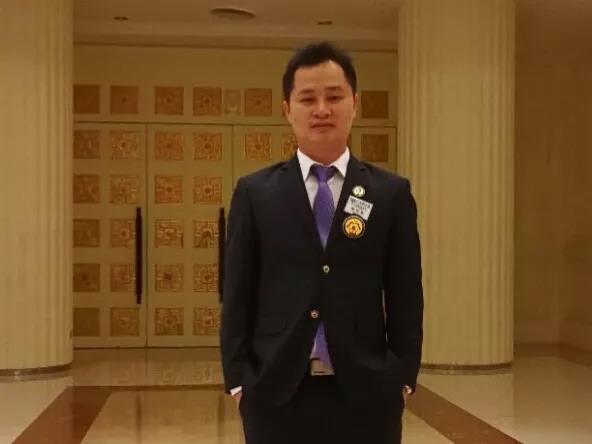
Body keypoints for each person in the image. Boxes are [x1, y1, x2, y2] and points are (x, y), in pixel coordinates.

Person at [220, 41, 423, 444]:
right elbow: (237, 293)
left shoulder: (390, 194)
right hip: (275, 391)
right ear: (287, 109)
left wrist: (402, 377)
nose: (322, 110)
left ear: (354, 104)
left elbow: (405, 294)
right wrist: (240, 381)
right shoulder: (256, 193)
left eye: (334, 97)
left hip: (368, 393)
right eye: (307, 99)